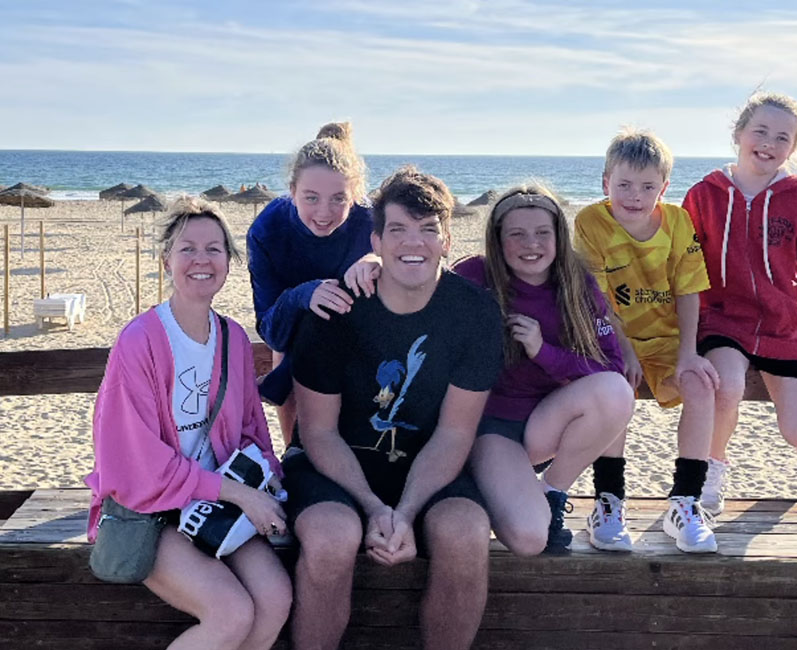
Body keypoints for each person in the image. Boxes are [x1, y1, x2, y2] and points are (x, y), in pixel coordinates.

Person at [283, 166, 503, 650]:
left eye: (428, 230)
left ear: (446, 240)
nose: (414, 243)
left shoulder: (475, 314)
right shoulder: (336, 310)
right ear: (376, 241)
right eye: (399, 229)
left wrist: (403, 512)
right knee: (331, 538)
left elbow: (454, 435)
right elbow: (317, 432)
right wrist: (372, 507)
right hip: (333, 465)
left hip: (429, 466)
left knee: (466, 533)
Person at [86, 197, 292, 649]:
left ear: (229, 262)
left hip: (214, 505)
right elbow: (135, 464)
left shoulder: (234, 338)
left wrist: (268, 486)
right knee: (230, 614)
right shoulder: (139, 340)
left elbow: (251, 431)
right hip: (152, 511)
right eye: (188, 249)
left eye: (214, 249)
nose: (201, 260)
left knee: (276, 598)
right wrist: (239, 494)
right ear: (167, 259)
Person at [682, 92, 797, 515]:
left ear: (793, 148)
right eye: (760, 131)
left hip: (784, 328)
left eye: (782, 137)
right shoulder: (704, 195)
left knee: (795, 432)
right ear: (739, 134)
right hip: (722, 322)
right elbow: (679, 264)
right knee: (726, 386)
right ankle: (712, 471)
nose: (769, 143)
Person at [452, 185, 633, 555]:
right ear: (498, 239)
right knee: (530, 539)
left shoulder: (577, 283)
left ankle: (551, 493)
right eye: (516, 234)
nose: (530, 244)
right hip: (489, 429)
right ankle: (491, 487)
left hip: (544, 426)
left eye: (542, 233)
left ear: (558, 237)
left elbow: (610, 366)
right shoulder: (472, 276)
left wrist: (543, 351)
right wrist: (372, 264)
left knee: (615, 391)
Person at [574, 128, 720, 553]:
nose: (634, 196)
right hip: (609, 336)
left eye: (647, 187)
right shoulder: (591, 222)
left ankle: (686, 501)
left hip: (668, 338)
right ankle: (609, 501)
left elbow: (689, 288)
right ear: (605, 183)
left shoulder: (676, 222)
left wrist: (689, 353)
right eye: (623, 185)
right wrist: (624, 348)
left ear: (664, 187)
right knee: (616, 389)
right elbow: (596, 298)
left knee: (702, 385)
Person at [247, 121, 372, 446]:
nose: (324, 212)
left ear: (355, 195)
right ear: (291, 192)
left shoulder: (371, 224)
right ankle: (295, 455)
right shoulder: (268, 230)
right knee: (292, 346)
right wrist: (304, 295)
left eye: (338, 199)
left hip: (357, 339)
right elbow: (271, 331)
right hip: (290, 343)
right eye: (311, 198)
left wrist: (380, 260)